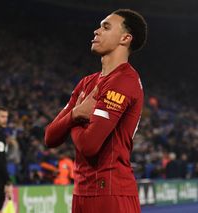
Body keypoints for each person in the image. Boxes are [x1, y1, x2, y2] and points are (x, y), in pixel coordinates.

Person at [45, 9, 147, 213]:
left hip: (110, 193)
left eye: (106, 27)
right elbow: (50, 137)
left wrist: (74, 117)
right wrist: (76, 113)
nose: (96, 31)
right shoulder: (87, 82)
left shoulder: (123, 80)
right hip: (82, 191)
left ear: (125, 38)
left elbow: (90, 145)